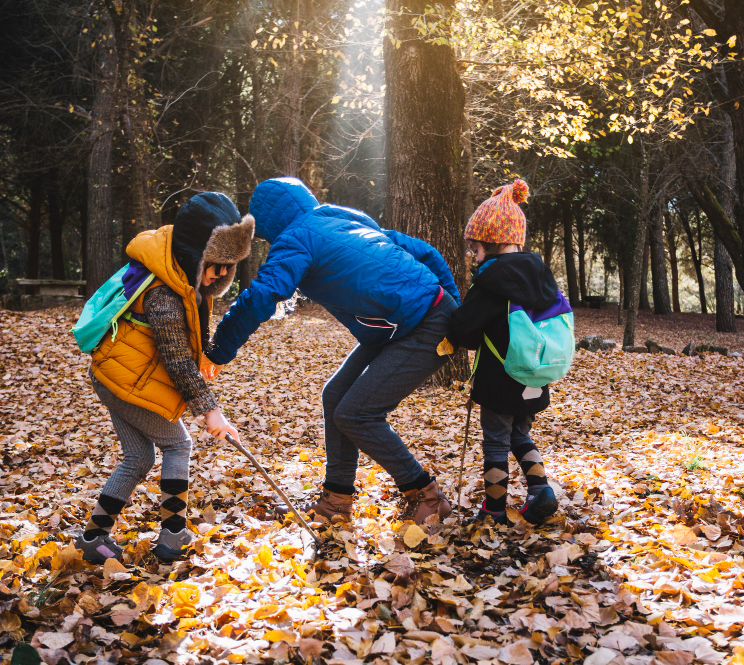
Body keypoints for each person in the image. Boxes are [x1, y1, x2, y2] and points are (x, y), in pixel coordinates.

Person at [203, 177, 462, 525]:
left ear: (272, 222)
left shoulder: (295, 237)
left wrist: (218, 350)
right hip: (409, 321)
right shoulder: (343, 220)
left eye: (265, 234)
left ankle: (426, 496)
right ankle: (335, 501)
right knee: (335, 396)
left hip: (427, 323)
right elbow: (425, 251)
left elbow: (262, 295)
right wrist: (452, 300)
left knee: (356, 413)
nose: (268, 241)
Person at [75, 193, 254, 563]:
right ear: (195, 254)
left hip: (116, 374)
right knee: (178, 445)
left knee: (138, 457)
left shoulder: (175, 275)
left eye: (227, 268)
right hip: (124, 381)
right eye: (215, 265)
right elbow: (177, 362)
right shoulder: (164, 295)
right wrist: (211, 412)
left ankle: (94, 537)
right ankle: (174, 535)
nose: (220, 274)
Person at [448, 179, 564, 526]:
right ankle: (541, 490)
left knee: (496, 443)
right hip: (535, 375)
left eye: (476, 246)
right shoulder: (541, 276)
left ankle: (494, 510)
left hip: (501, 379)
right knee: (520, 434)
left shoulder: (491, 282)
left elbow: (462, 332)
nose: (474, 253)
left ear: (492, 242)